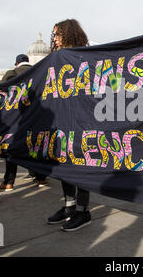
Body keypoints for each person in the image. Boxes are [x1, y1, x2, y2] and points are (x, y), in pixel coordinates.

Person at [46, 19, 91, 231]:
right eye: (53, 34)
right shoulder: (53, 59)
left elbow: (111, 82)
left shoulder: (88, 56)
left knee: (81, 166)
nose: (54, 38)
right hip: (61, 121)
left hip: (83, 121)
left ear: (69, 34)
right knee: (64, 166)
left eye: (58, 34)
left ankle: (83, 211)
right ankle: (69, 207)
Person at [0, 54, 48, 191]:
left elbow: (1, 91)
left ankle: (9, 181)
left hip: (16, 117)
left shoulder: (12, 73)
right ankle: (41, 177)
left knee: (11, 149)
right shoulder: (40, 72)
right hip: (37, 116)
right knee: (35, 147)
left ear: (16, 63)